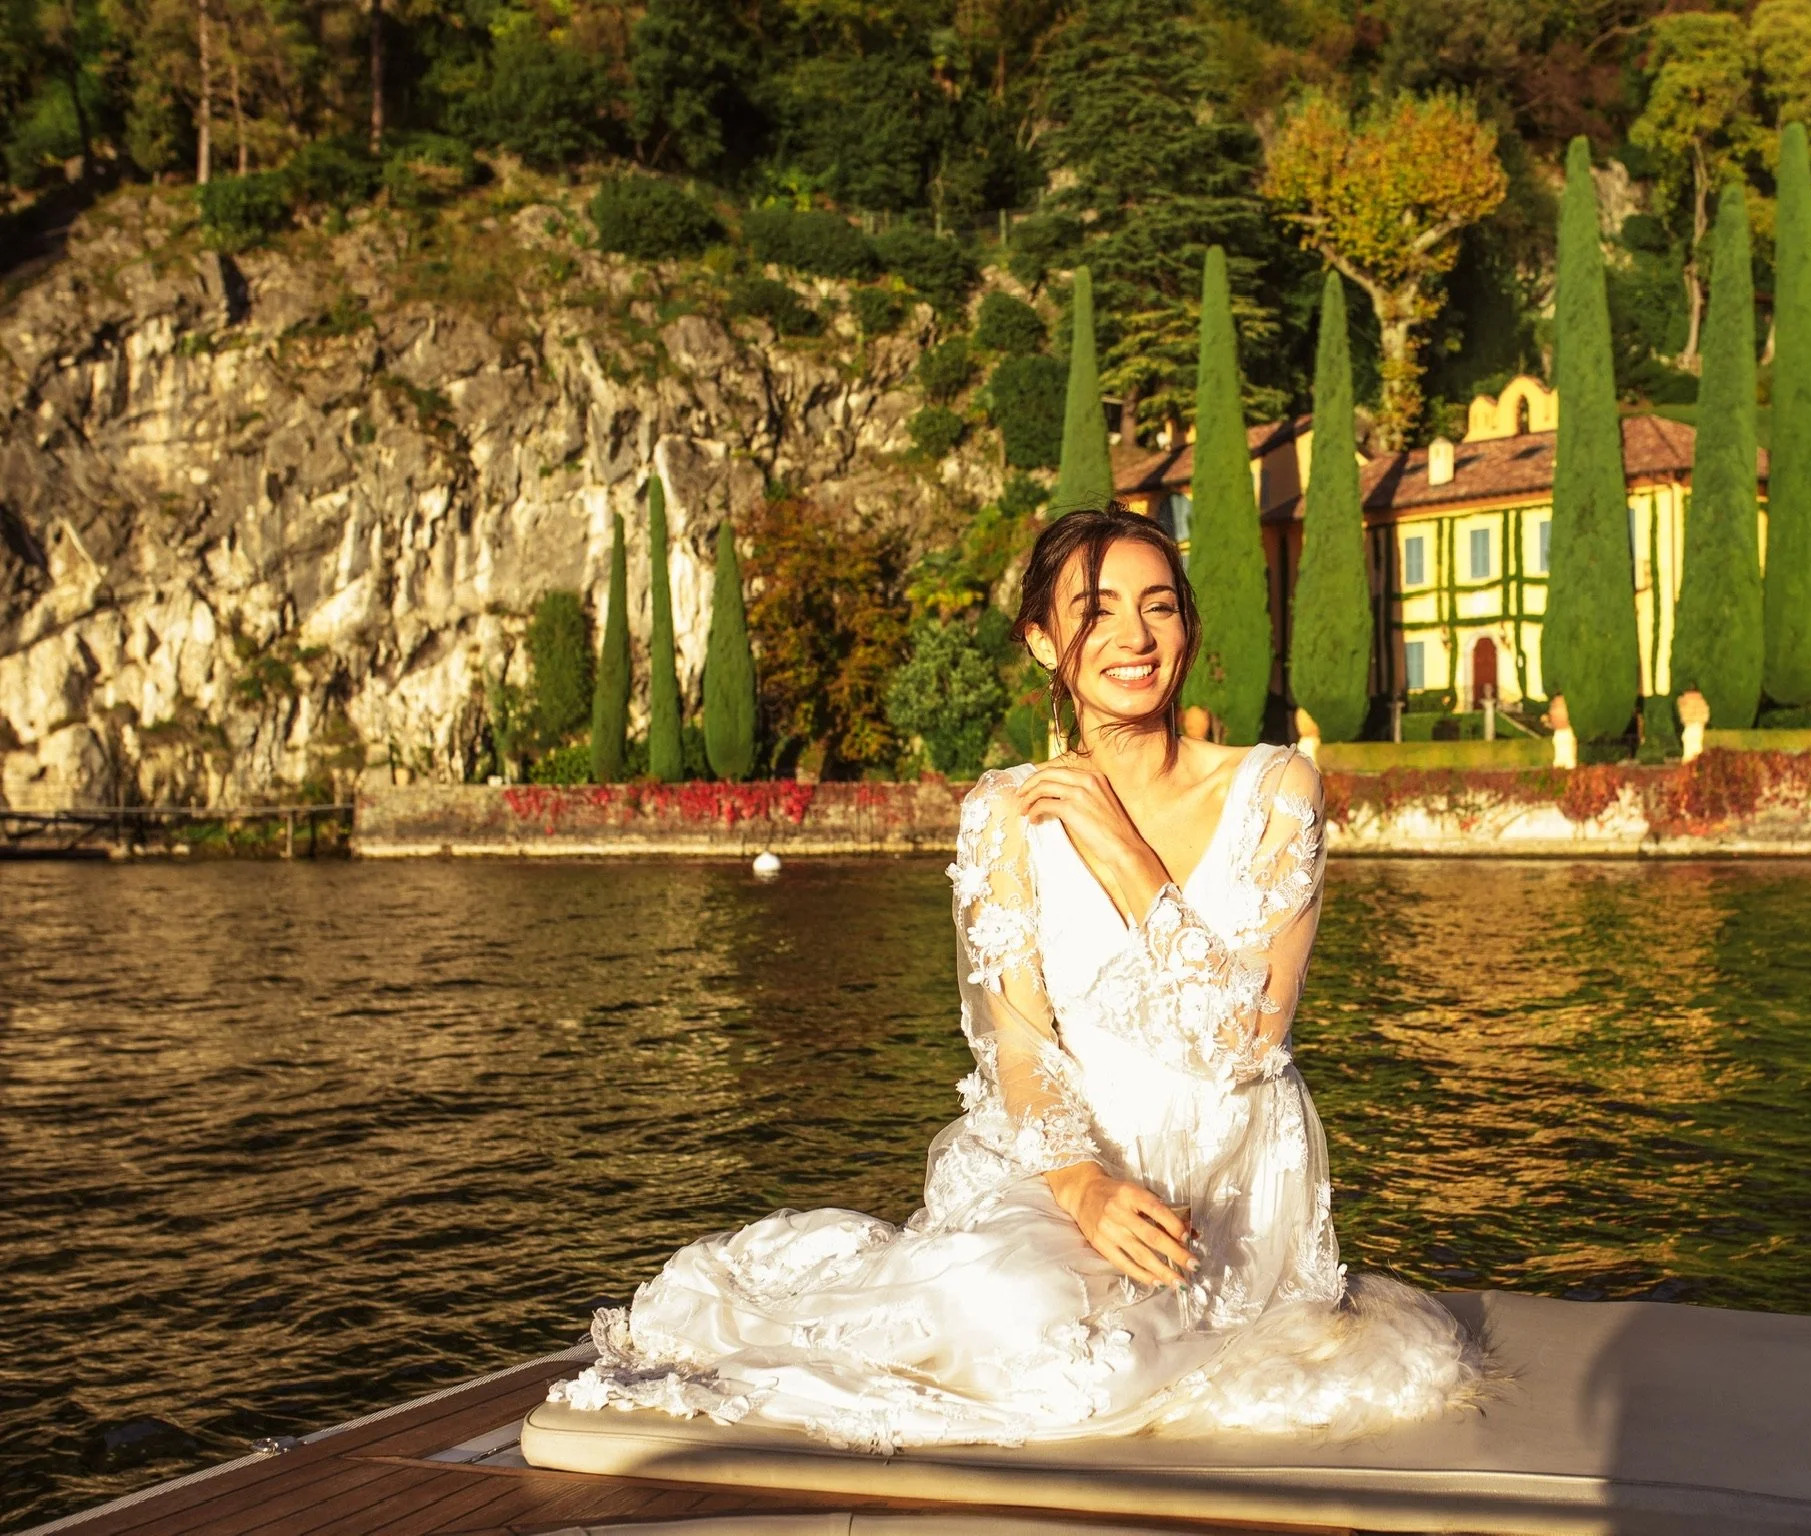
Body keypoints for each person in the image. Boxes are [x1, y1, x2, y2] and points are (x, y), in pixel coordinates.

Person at [552, 506, 1480, 1451]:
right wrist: (1080, 1186)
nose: (1134, 636)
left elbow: (1248, 1039)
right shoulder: (1003, 813)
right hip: (1072, 1162)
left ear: (1188, 628)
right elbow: (1022, 1048)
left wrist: (1126, 854)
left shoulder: (1277, 788)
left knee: (1108, 1370)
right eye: (1097, 609)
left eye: (1159, 606)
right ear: (1043, 641)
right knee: (1008, 1315)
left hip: (1229, 1180)